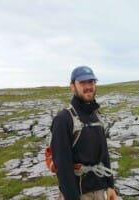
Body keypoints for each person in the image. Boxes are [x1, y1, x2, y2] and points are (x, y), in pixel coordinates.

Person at [51, 66, 117, 200]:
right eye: (82, 83)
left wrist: (110, 185)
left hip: (99, 190)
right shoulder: (63, 119)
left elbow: (104, 153)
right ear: (72, 86)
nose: (88, 87)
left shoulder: (95, 115)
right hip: (77, 193)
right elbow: (62, 167)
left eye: (91, 82)